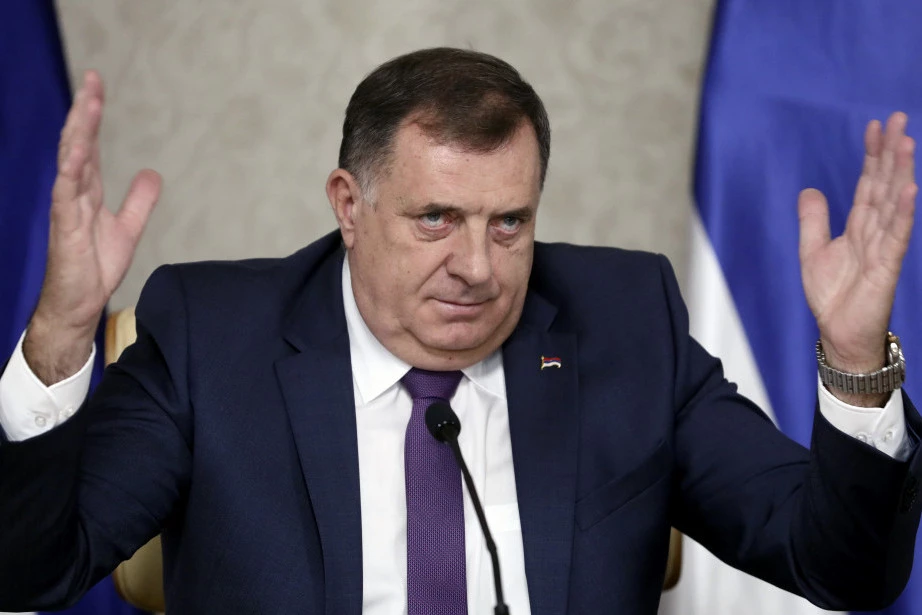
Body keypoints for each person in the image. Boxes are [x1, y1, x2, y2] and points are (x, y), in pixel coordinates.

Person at [0, 48, 919, 615]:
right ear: (348, 204)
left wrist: (852, 362)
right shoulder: (213, 336)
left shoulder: (626, 323)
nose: (478, 266)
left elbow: (841, 569)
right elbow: (30, 570)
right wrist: (61, 330)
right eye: (436, 218)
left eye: (509, 222)